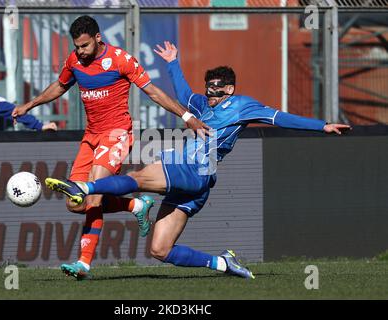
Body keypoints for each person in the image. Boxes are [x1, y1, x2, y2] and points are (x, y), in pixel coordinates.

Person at [45, 41, 351, 280]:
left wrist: (321, 125)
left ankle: (86, 187)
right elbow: (184, 95)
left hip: (194, 169)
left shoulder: (243, 106)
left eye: (217, 89)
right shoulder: (203, 104)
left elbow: (280, 118)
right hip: (197, 182)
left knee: (138, 178)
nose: (211, 94)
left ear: (230, 89)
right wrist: (173, 63)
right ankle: (223, 263)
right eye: (210, 89)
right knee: (159, 250)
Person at [11, 17, 210, 280]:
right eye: (76, 47)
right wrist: (29, 105)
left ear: (97, 38)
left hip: (116, 134)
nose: (80, 52)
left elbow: (153, 92)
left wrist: (188, 119)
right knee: (75, 203)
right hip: (90, 137)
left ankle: (83, 264)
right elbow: (60, 86)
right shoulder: (74, 61)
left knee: (92, 197)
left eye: (84, 46)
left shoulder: (120, 60)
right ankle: (136, 206)